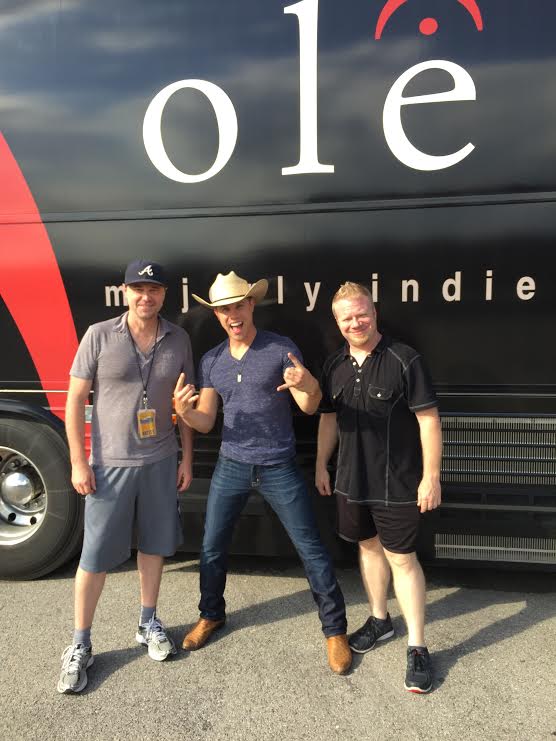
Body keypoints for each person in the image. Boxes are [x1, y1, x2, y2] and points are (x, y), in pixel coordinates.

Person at [173, 270, 351, 674]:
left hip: (279, 466)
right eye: (223, 310)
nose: (232, 315)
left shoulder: (280, 349)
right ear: (217, 315)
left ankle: (335, 630)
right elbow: (205, 421)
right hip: (231, 465)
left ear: (251, 305)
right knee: (212, 547)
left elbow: (309, 407)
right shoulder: (212, 360)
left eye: (238, 306)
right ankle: (211, 614)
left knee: (311, 550)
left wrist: (309, 385)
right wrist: (185, 412)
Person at [57, 259, 194, 694]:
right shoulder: (99, 334)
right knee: (94, 557)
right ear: (124, 291)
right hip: (109, 465)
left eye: (153, 289)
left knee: (153, 546)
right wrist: (79, 462)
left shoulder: (179, 338)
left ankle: (148, 621)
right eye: (137, 288)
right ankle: (80, 644)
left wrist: (187, 459)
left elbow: (185, 404)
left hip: (160, 460)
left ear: (164, 295)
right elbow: (75, 400)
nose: (145, 297)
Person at [315, 281, 442, 693]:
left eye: (361, 313)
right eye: (347, 317)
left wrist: (431, 476)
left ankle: (418, 647)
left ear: (375, 311)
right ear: (337, 322)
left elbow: (428, 420)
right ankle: (379, 620)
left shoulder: (405, 360)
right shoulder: (333, 365)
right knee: (367, 548)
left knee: (402, 559)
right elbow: (329, 419)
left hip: (399, 482)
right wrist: (321, 463)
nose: (356, 322)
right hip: (351, 480)